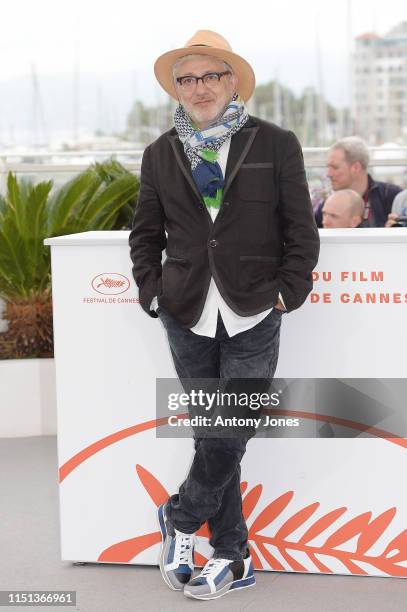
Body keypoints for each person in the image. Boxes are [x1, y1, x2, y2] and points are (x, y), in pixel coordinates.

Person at [128, 30, 319, 601]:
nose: (199, 87)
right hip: (185, 310)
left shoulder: (276, 143)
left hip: (255, 307)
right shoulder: (160, 153)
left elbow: (300, 230)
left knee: (231, 427)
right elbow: (146, 235)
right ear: (176, 89)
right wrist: (152, 292)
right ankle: (233, 556)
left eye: (211, 75)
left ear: (232, 81)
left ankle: (181, 519)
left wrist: (288, 290)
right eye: (187, 78)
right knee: (215, 432)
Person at [315, 136, 402, 228]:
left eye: (335, 167)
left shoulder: (391, 196)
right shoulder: (328, 204)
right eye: (328, 167)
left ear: (356, 167)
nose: (328, 174)